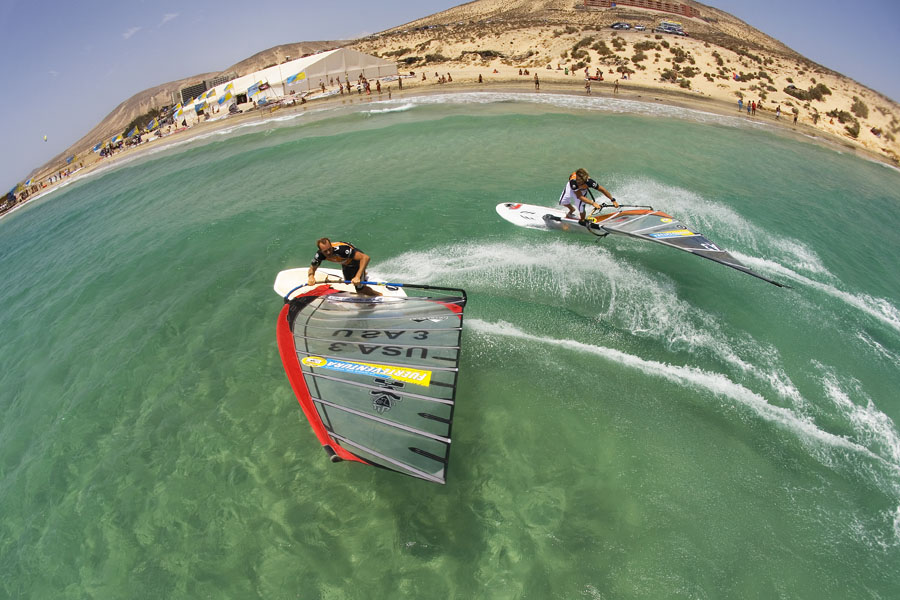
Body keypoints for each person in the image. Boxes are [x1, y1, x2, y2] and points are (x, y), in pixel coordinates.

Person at [308, 238, 380, 296]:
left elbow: (366, 258)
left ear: (331, 245)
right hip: (345, 263)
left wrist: (357, 276)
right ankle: (363, 275)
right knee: (347, 282)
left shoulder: (342, 250)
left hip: (356, 261)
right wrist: (311, 277)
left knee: (360, 289)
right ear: (320, 251)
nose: (328, 253)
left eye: (329, 249)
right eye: (325, 251)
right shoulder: (319, 255)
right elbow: (312, 268)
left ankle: (379, 295)